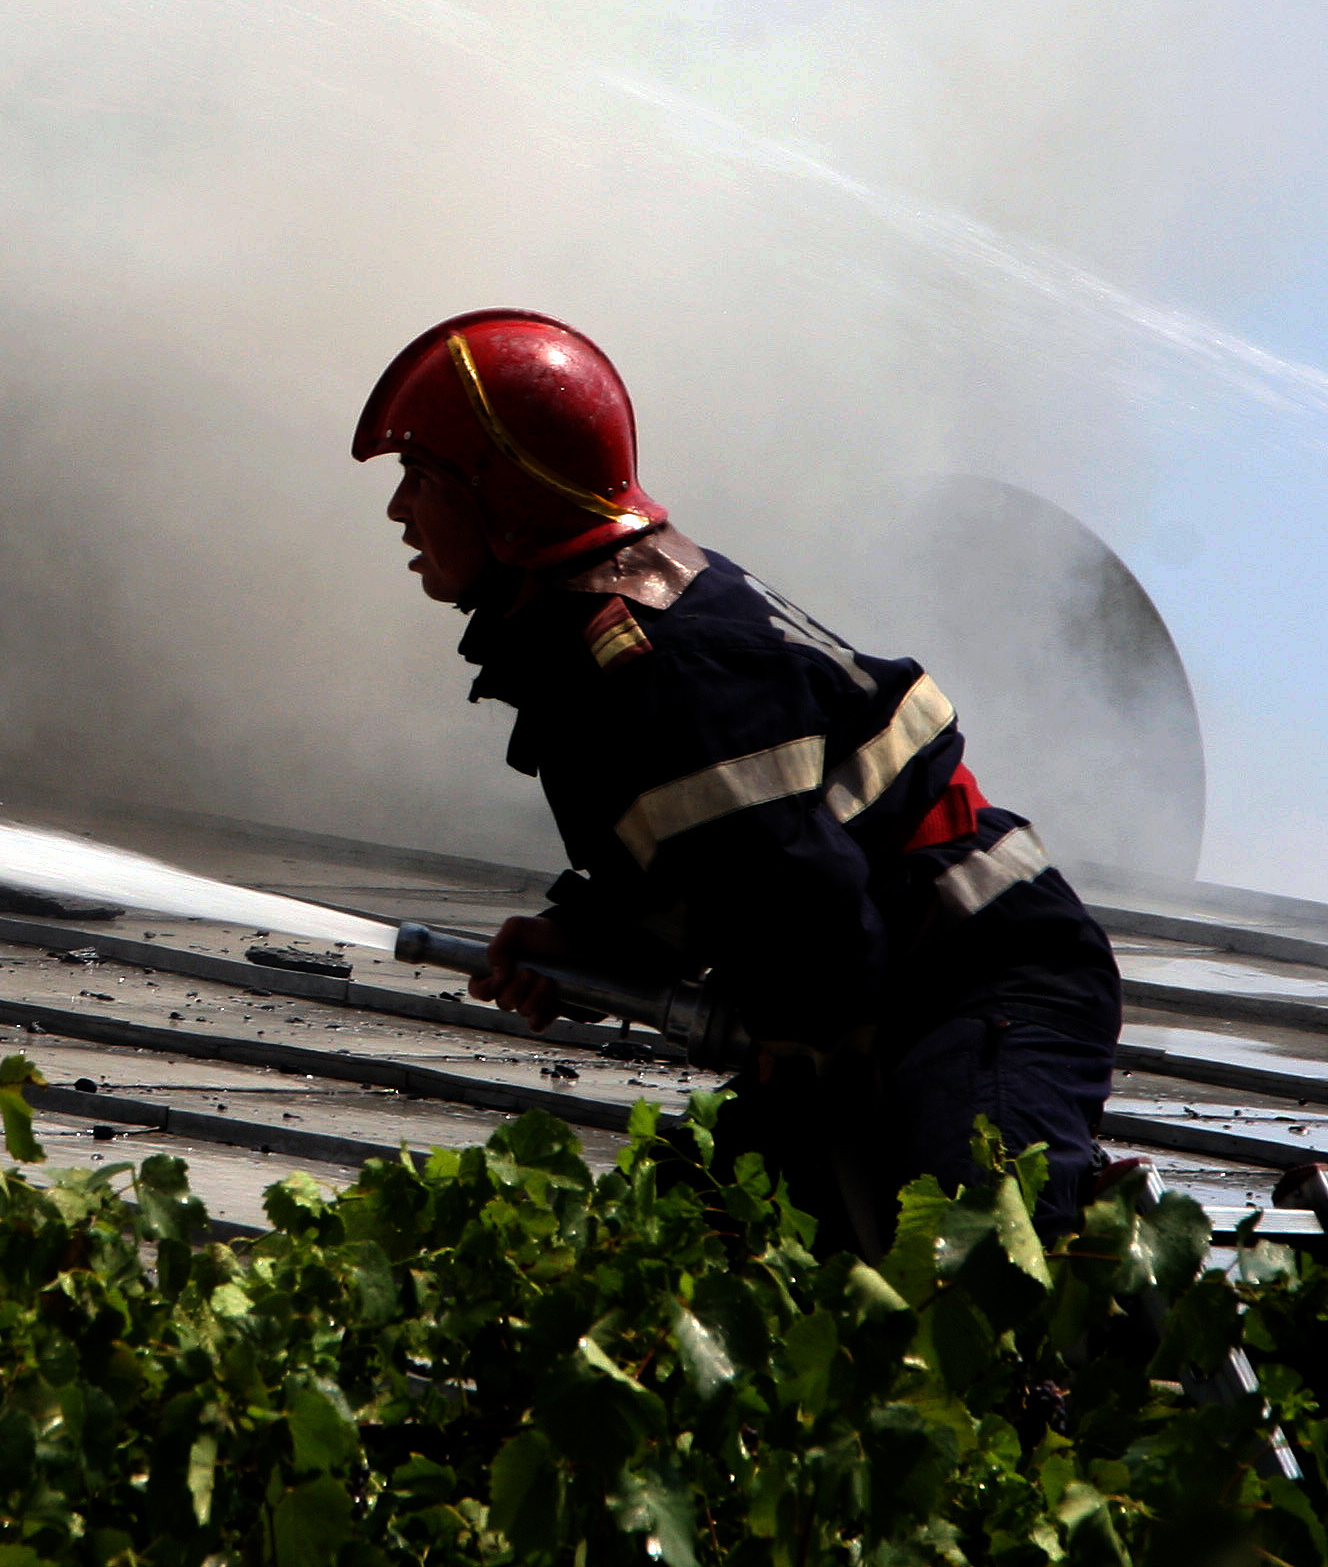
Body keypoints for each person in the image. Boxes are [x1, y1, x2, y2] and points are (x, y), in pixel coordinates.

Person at [354, 308, 1122, 1247]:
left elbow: (817, 928)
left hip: (983, 988)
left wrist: (766, 1057)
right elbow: (729, 872)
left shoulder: (658, 674)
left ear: (503, 495)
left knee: (980, 1248)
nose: (399, 511)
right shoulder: (615, 639)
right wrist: (586, 939)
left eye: (420, 479)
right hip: (894, 990)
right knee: (679, 1254)